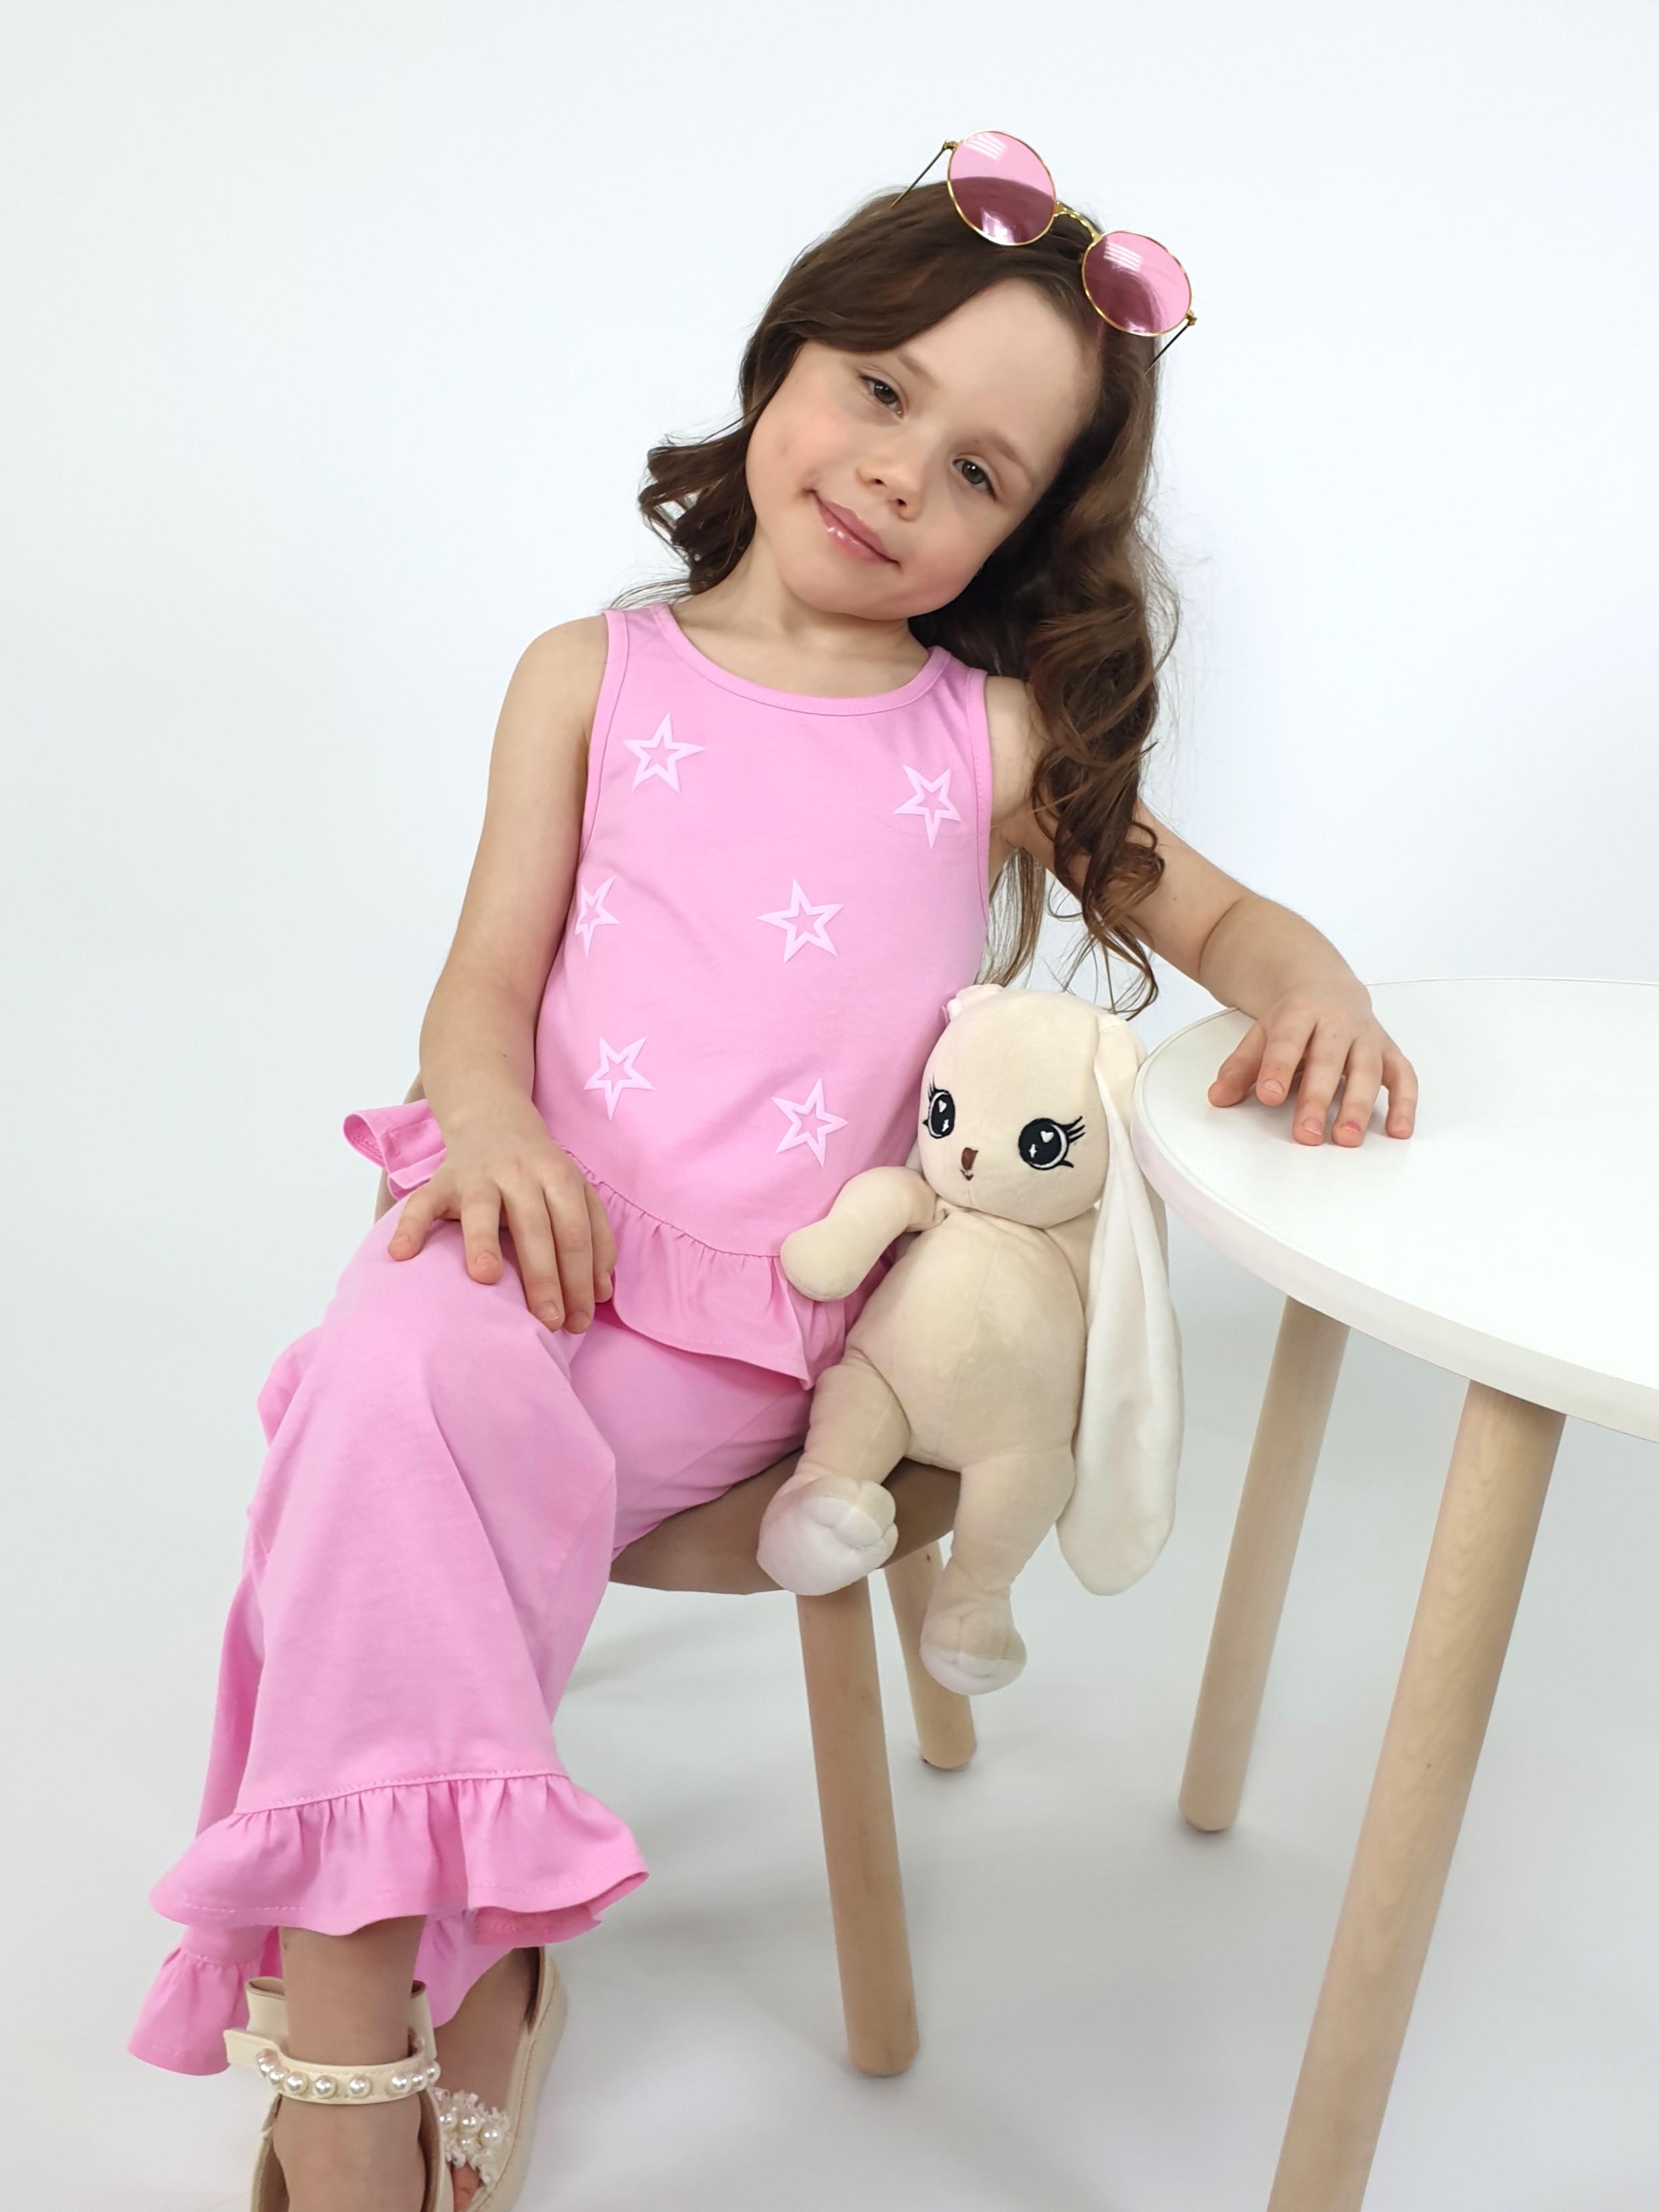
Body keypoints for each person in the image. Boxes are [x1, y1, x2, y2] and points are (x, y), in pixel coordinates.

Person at [128, 142, 1419, 2212]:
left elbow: (1229, 923)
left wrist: (1316, 991)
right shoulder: (587, 674)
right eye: (882, 387)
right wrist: (499, 1128)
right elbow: (479, 993)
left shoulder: (983, 741)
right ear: (784, 361)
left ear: (1019, 534)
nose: (901, 470)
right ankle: (438, 1972)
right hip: (513, 1231)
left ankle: (358, 2010)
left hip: (743, 1324)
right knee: (384, 1384)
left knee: (391, 1475)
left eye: (978, 469)